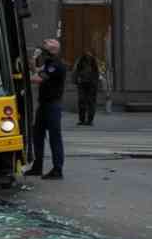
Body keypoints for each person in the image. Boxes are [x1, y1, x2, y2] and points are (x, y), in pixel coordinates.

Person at [28, 38, 66, 179]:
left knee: (54, 137)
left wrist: (22, 78)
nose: (42, 53)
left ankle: (57, 170)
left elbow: (37, 78)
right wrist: (33, 59)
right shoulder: (49, 63)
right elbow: (36, 71)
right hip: (44, 104)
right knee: (37, 135)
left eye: (44, 51)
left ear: (52, 51)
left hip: (52, 105)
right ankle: (37, 166)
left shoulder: (56, 65)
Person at [73, 50, 100, 126]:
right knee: (82, 101)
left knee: (91, 102)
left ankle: (90, 120)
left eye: (89, 53)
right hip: (82, 84)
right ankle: (82, 120)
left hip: (91, 85)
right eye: (87, 53)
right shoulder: (80, 61)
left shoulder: (94, 62)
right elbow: (76, 71)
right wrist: (77, 80)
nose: (88, 54)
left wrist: (95, 82)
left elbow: (97, 73)